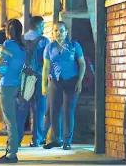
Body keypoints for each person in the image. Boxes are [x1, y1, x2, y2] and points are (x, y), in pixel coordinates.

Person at [42, 21, 86, 150]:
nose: (58, 33)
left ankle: (67, 141)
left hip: (72, 81)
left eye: (61, 30)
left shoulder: (74, 45)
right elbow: (46, 67)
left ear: (66, 32)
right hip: (55, 81)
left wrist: (79, 81)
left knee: (68, 111)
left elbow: (82, 63)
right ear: (52, 32)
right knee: (54, 112)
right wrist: (44, 86)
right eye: (55, 30)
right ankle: (56, 139)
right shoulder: (49, 47)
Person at [0, 19, 26, 164]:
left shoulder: (8, 44)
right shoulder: (22, 47)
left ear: (8, 31)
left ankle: (11, 154)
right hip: (17, 85)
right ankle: (11, 150)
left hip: (7, 86)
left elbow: (0, 61)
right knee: (14, 120)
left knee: (10, 120)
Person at [16, 16, 50, 147]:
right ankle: (36, 139)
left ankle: (17, 139)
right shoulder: (44, 41)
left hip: (24, 78)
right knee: (39, 110)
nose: (43, 28)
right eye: (42, 26)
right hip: (39, 77)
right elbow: (48, 62)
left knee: (22, 108)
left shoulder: (21, 40)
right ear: (39, 25)